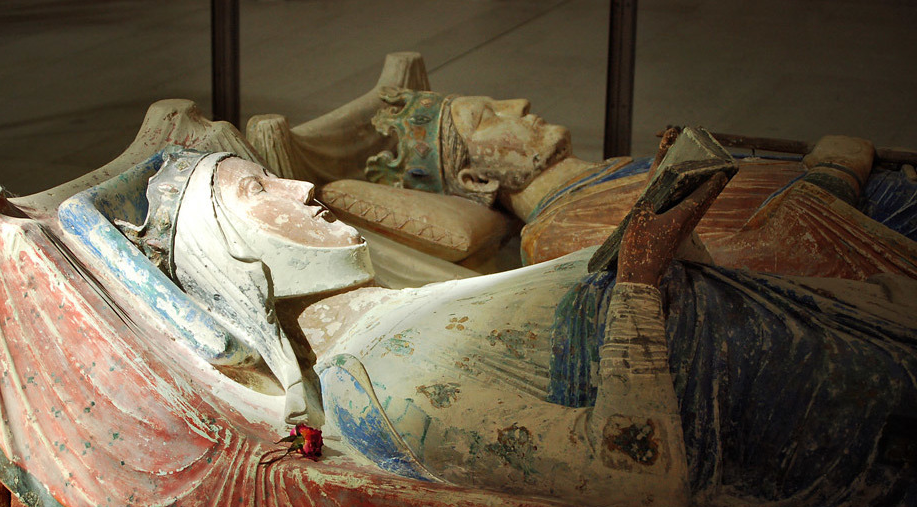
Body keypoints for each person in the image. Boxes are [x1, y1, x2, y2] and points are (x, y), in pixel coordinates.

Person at [117, 143, 916, 507]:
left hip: (791, 334)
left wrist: (650, 239)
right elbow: (633, 475)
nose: (300, 188)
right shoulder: (373, 392)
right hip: (798, 411)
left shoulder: (405, 307)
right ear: (233, 257)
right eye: (258, 190)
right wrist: (637, 276)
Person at [359, 88, 917, 280]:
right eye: (488, 117)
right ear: (475, 179)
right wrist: (835, 173)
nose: (519, 104)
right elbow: (757, 268)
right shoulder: (556, 237)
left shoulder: (606, 171)